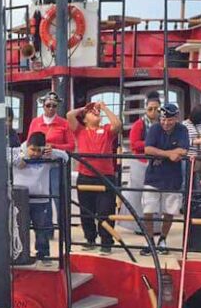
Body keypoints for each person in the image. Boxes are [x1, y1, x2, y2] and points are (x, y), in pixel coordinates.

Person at [67, 100, 122, 253]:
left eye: (96, 112)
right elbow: (69, 115)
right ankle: (90, 239)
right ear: (85, 118)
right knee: (86, 211)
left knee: (106, 211)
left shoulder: (106, 131)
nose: (95, 112)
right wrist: (84, 108)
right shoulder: (80, 131)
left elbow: (117, 125)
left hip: (106, 177)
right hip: (85, 177)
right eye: (91, 112)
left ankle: (106, 242)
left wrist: (104, 108)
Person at [9, 132, 69, 266]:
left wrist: (52, 153)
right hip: (20, 200)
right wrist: (17, 159)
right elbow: (0, 154)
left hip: (41, 200)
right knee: (19, 229)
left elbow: (66, 157)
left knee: (42, 229)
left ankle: (43, 254)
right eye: (33, 149)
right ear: (27, 146)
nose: (35, 153)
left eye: (38, 150)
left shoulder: (48, 154)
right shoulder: (17, 152)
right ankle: (19, 255)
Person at [141, 103, 189, 255]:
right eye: (163, 119)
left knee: (170, 211)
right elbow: (147, 149)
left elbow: (183, 150)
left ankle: (163, 239)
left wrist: (160, 153)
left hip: (173, 178)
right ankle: (150, 241)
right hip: (153, 177)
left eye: (169, 120)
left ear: (176, 118)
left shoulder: (182, 130)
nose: (166, 123)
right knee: (148, 211)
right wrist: (169, 154)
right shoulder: (155, 128)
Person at [27, 92, 75, 232]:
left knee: (59, 197)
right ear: (43, 106)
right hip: (40, 166)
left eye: (54, 105)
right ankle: (46, 229)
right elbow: (29, 141)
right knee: (44, 198)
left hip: (56, 166)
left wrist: (54, 148)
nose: (51, 108)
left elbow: (71, 146)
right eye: (48, 105)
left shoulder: (63, 124)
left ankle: (64, 229)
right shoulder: (35, 122)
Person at [126, 92, 161, 232]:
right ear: (146, 108)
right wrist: (151, 144)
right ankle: (139, 226)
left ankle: (155, 226)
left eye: (156, 109)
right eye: (150, 109)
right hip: (141, 163)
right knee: (139, 195)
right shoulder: (139, 124)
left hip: (158, 163)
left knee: (156, 195)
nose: (153, 112)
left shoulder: (162, 124)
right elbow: (134, 144)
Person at [182, 103, 201, 180]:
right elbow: (184, 142)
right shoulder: (184, 124)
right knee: (188, 179)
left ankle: (199, 192)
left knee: (199, 180)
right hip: (189, 157)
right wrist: (200, 140)